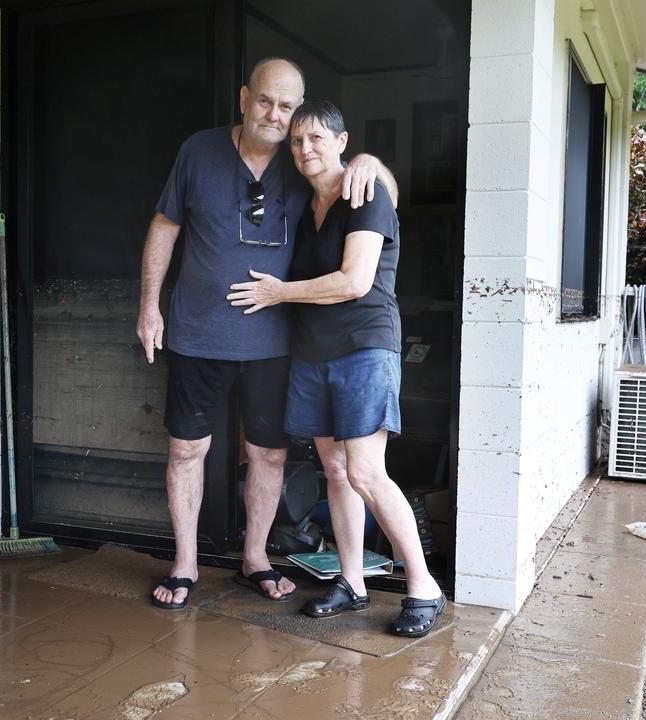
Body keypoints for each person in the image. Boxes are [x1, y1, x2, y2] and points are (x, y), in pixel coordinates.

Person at [137, 59, 397, 610]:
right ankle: (184, 564)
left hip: (278, 343)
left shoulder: (304, 159)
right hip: (196, 334)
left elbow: (377, 192)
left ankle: (254, 558)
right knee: (187, 449)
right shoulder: (198, 151)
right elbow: (165, 225)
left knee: (270, 456)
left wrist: (368, 160)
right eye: (265, 101)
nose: (275, 116)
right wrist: (149, 307)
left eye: (286, 107)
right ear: (243, 98)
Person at [226, 100, 446, 637]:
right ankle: (352, 583)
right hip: (312, 354)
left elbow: (354, 281)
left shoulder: (366, 193)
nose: (305, 150)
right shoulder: (305, 203)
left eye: (317, 139)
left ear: (342, 142)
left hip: (364, 347)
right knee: (335, 471)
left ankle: (423, 585)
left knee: (367, 470)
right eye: (298, 141)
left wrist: (279, 293)